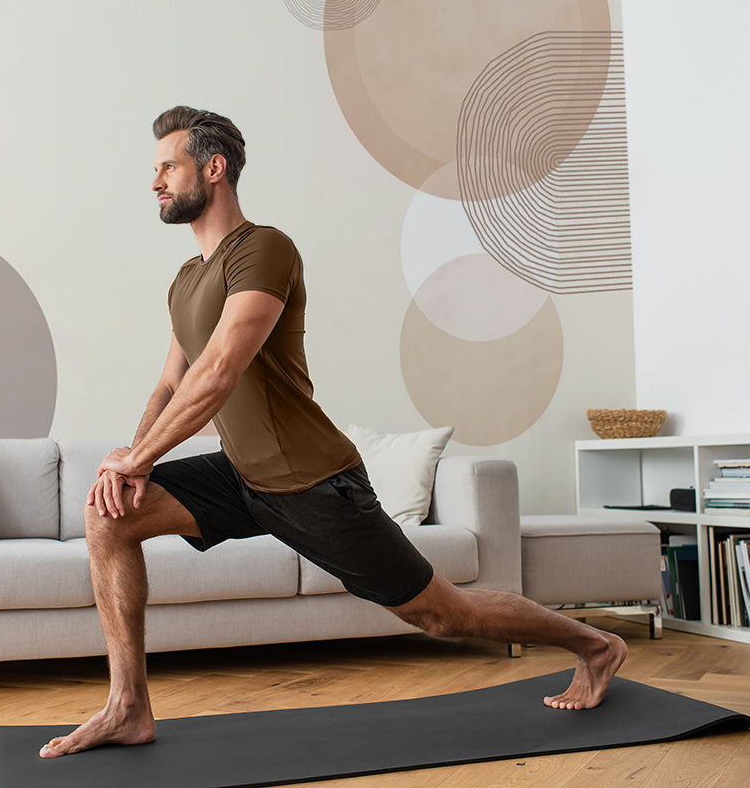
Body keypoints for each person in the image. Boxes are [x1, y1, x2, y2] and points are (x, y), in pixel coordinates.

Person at [39, 105, 627, 759]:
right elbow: (171, 384)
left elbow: (219, 372)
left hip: (313, 481)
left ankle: (595, 644)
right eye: (155, 170)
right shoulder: (185, 281)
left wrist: (139, 458)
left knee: (439, 614)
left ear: (214, 168)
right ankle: (128, 706)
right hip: (243, 475)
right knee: (109, 518)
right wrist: (132, 458)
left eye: (167, 167)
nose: (156, 181)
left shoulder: (264, 250)